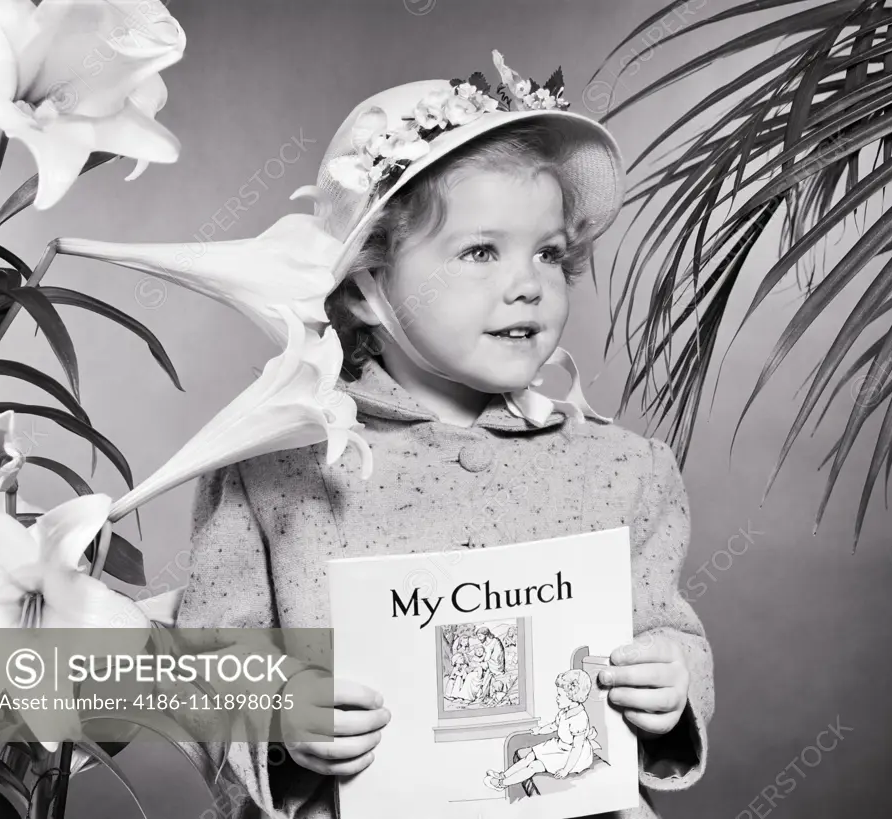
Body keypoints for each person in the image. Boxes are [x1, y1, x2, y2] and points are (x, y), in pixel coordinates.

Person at [175, 49, 713, 819]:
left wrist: (673, 680)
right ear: (365, 287)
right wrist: (276, 718)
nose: (527, 282)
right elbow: (203, 665)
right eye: (481, 251)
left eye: (550, 253)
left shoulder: (623, 468)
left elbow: (665, 627)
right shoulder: (273, 468)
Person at [483, 669, 601, 790]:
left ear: (572, 696)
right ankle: (503, 775)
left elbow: (577, 748)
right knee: (530, 756)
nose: (557, 698)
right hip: (561, 746)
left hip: (570, 756)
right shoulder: (564, 713)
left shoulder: (579, 719)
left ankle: (501, 784)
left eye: (560, 695)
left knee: (533, 766)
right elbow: (554, 726)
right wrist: (540, 730)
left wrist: (565, 770)